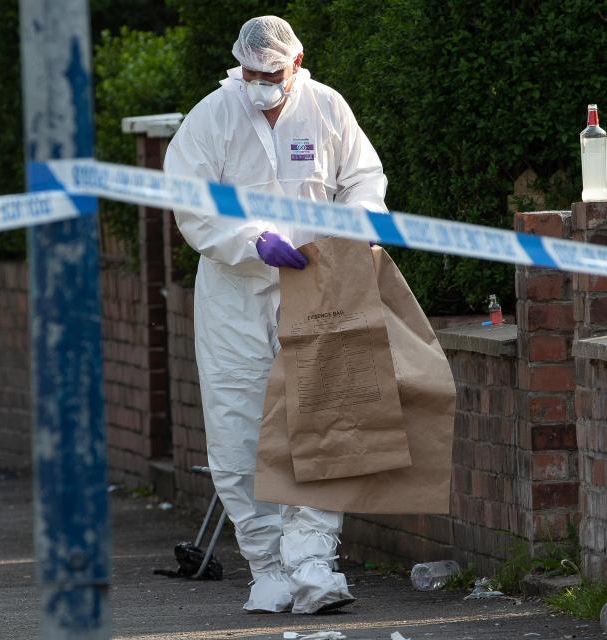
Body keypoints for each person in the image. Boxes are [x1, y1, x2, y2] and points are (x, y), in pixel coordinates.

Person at [163, 16, 388, 614]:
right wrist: (251, 239)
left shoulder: (326, 108)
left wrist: (357, 231)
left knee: (322, 423)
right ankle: (266, 567)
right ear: (239, 65)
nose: (262, 83)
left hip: (316, 287)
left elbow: (363, 180)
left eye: (274, 74)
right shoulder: (211, 117)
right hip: (237, 295)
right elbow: (189, 202)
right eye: (252, 73)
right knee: (238, 427)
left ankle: (314, 563)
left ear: (297, 61)